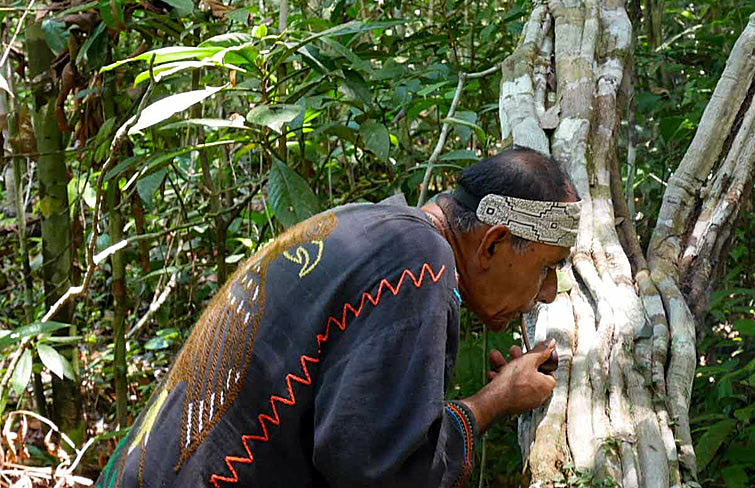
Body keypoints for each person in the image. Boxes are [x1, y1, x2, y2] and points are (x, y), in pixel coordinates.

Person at [96, 146, 581, 488]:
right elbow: (376, 471)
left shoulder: (371, 225)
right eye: (548, 266)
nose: (549, 291)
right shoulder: (419, 263)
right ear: (494, 243)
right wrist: (494, 401)